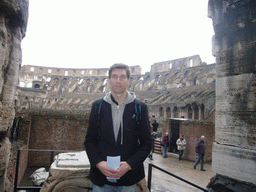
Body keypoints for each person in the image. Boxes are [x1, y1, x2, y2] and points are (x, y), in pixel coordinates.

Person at [84, 63, 152, 192]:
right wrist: (99, 163)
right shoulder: (97, 106)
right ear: (109, 80)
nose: (118, 81)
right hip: (101, 178)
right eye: (114, 77)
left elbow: (147, 143)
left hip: (128, 178)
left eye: (122, 77)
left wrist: (129, 164)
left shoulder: (140, 107)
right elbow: (89, 141)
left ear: (129, 80)